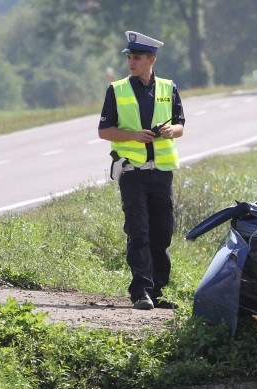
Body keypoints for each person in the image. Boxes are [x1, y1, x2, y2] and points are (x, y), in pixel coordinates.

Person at [98, 31, 185, 310]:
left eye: (136, 58)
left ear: (152, 59)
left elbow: (181, 124)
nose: (131, 62)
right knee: (139, 232)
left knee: (162, 233)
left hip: (161, 172)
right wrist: (134, 135)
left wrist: (172, 130)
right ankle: (140, 292)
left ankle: (158, 291)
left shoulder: (169, 88)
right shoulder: (117, 90)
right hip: (133, 172)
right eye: (129, 57)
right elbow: (104, 130)